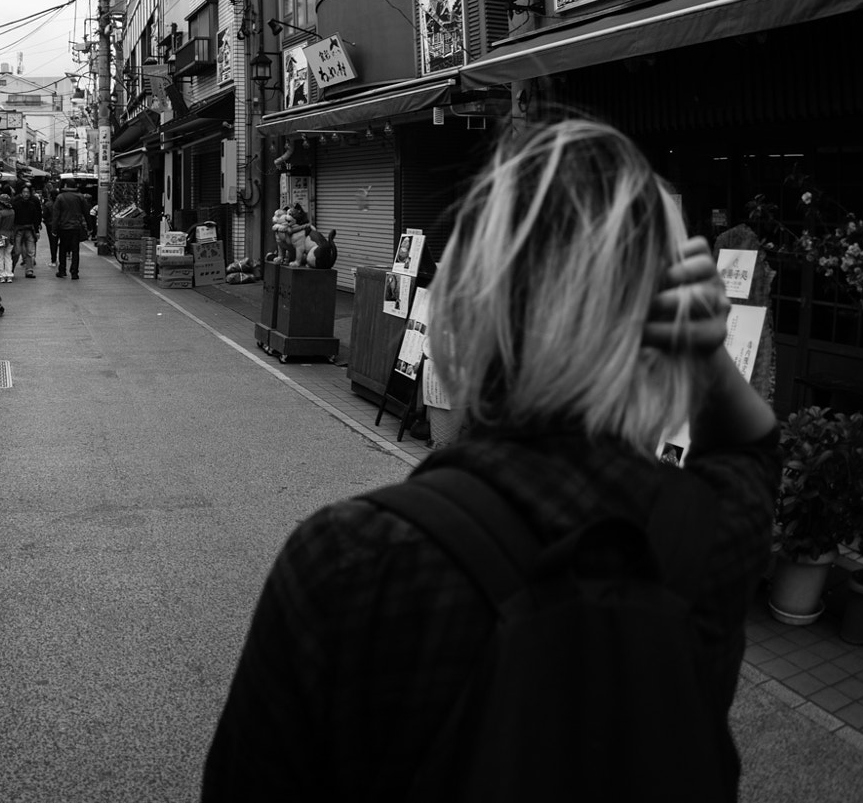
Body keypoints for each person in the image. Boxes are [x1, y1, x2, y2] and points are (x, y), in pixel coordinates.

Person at [202, 118, 778, 801]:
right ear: (662, 321)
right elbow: (754, 448)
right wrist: (703, 350)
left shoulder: (349, 560)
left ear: (466, 307)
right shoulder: (702, 539)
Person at [50, 182, 92, 279]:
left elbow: (56, 215)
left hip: (63, 227)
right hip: (76, 227)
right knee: (75, 250)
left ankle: (62, 270)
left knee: (63, 249)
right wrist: (90, 227)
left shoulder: (60, 197)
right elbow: (86, 212)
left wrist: (54, 229)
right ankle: (74, 272)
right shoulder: (80, 197)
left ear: (66, 186)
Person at [12, 184, 43, 277]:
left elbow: (36, 218)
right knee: (16, 251)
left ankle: (29, 270)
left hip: (30, 229)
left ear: (30, 194)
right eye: (24, 192)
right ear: (21, 193)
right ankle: (11, 268)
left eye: (27, 192)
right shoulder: (16, 204)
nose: (26, 194)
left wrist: (37, 230)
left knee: (30, 251)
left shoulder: (32, 204)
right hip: (19, 229)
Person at [0, 192, 17, 283]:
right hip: (10, 236)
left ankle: (1, 275)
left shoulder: (0, 213)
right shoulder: (12, 212)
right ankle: (9, 275)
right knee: (8, 256)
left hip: (0, 236)